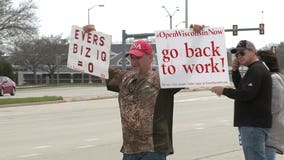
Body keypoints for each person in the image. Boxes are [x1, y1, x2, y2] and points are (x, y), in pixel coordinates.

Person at [84, 24, 204, 160]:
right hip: (129, 149)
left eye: (138, 57)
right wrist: (91, 37)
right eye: (132, 57)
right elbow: (98, 65)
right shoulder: (123, 78)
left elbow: (188, 68)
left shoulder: (163, 81)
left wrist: (195, 38)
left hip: (153, 149)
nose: (134, 61)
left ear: (150, 58)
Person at [210, 40, 272, 160]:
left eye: (242, 53)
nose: (238, 56)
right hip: (252, 124)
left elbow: (245, 94)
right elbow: (242, 88)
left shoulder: (257, 69)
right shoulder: (254, 69)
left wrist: (224, 91)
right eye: (236, 54)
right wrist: (235, 71)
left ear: (252, 51)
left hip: (253, 124)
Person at [257, 50, 284, 159]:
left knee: (267, 156)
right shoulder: (271, 77)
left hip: (270, 129)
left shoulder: (273, 79)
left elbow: (276, 105)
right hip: (268, 127)